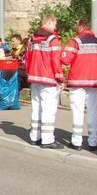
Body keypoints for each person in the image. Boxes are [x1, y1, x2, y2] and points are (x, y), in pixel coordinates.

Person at [60, 19, 97, 150]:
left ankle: (76, 141)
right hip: (94, 82)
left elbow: (65, 59)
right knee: (93, 112)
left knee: (78, 111)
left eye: (77, 25)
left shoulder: (76, 41)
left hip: (78, 81)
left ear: (81, 26)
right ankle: (93, 141)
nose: (76, 27)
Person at [25, 14, 63, 148]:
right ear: (49, 22)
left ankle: (35, 136)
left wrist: (29, 73)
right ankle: (47, 139)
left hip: (34, 77)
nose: (55, 27)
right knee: (48, 109)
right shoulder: (53, 39)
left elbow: (27, 58)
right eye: (54, 24)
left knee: (36, 107)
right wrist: (60, 78)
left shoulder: (31, 39)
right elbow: (55, 61)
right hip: (48, 78)